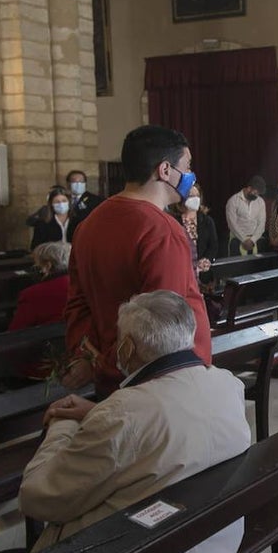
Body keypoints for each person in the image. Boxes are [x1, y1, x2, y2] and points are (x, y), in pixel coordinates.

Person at [0, 291, 251, 553]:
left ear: (126, 348)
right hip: (202, 550)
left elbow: (39, 499)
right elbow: (164, 418)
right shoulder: (227, 384)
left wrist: (61, 425)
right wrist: (98, 413)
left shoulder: (123, 413)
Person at [62, 125, 213, 398]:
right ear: (165, 170)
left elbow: (77, 304)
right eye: (187, 166)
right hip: (160, 387)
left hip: (112, 381)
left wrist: (95, 360)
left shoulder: (88, 225)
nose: (191, 175)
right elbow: (168, 324)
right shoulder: (161, 228)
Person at [9, 241, 71, 332]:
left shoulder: (31, 294)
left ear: (48, 265)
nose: (36, 268)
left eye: (37, 264)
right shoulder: (84, 284)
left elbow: (15, 332)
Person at [170, 182, 218, 276]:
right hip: (181, 272)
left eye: (197, 196)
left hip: (203, 273)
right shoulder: (173, 221)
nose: (195, 199)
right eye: (191, 196)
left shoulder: (207, 221)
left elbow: (213, 246)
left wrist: (207, 259)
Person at [224, 175, 267, 256]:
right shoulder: (233, 201)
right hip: (237, 239)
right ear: (249, 188)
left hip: (255, 240)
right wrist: (244, 239)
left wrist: (252, 240)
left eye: (258, 194)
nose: (257, 196)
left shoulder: (260, 202)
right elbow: (232, 224)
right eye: (255, 192)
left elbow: (261, 223)